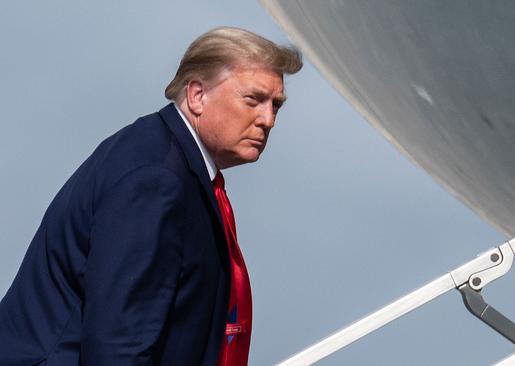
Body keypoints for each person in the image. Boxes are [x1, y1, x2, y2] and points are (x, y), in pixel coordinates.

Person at [0, 27, 302, 366]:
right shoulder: (156, 180)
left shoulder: (169, 162)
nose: (268, 119)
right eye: (253, 100)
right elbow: (119, 345)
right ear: (197, 95)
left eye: (275, 104)